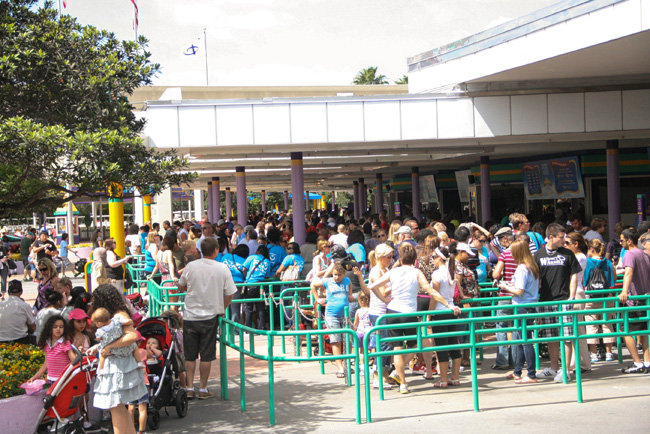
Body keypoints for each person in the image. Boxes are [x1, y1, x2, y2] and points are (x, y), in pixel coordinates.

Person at [361, 243, 461, 394]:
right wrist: (448, 304)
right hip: (409, 314)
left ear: (400, 259)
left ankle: (403, 383)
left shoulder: (393, 272)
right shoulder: (417, 273)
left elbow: (371, 286)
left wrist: (384, 299)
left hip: (392, 312)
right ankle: (398, 376)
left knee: (397, 349)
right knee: (416, 344)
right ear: (415, 260)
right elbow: (431, 291)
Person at [177, 237, 236, 399]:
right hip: (210, 316)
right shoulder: (222, 268)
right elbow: (230, 293)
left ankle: (189, 387)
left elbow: (180, 286)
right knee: (206, 355)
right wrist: (222, 308)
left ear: (200, 250)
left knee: (189, 355)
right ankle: (203, 389)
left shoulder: (190, 266)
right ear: (216, 250)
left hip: (190, 315)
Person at [87, 284, 147, 434]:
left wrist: (109, 347)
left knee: (116, 407)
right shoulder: (115, 316)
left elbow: (132, 336)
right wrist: (100, 347)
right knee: (119, 407)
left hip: (117, 366)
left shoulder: (118, 315)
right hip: (117, 364)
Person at [534, 223, 582, 383]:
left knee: (566, 336)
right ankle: (554, 368)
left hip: (564, 299)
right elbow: (536, 277)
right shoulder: (539, 254)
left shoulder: (568, 254)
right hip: (546, 300)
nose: (564, 240)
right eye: (561, 237)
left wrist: (572, 297)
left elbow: (573, 275)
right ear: (551, 237)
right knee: (550, 336)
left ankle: (566, 370)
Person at [498, 239, 540, 384]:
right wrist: (511, 285)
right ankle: (517, 371)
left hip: (522, 306)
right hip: (530, 305)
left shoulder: (522, 268)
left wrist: (505, 286)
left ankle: (531, 374)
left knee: (525, 341)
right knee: (522, 340)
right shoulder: (531, 266)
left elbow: (519, 291)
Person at [311, 263, 355, 379]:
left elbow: (350, 293)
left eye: (339, 275)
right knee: (335, 340)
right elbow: (313, 285)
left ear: (343, 274)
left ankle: (347, 363)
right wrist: (318, 299)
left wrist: (350, 296)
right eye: (335, 275)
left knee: (348, 339)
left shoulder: (347, 281)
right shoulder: (327, 281)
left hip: (345, 314)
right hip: (332, 315)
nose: (336, 277)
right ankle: (340, 367)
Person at [428, 245, 463, 388]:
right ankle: (455, 377)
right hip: (451, 310)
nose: (432, 260)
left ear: (438, 258)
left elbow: (434, 296)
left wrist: (429, 314)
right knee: (454, 344)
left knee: (441, 346)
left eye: (433, 257)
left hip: (440, 312)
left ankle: (443, 379)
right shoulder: (451, 271)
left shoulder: (437, 274)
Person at [617, 228, 650, 373]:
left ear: (629, 241)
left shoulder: (630, 254)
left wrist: (624, 291)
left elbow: (629, 272)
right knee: (644, 332)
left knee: (625, 331)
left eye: (622, 240)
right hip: (645, 298)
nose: (620, 242)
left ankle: (637, 363)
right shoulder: (644, 254)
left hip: (635, 300)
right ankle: (647, 362)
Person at [583, 239, 616, 362]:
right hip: (606, 296)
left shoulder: (588, 262)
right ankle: (609, 353)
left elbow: (584, 280)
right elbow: (614, 278)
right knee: (607, 324)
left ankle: (593, 354)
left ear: (591, 249)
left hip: (591, 296)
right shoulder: (608, 262)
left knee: (591, 325)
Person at [564, 232, 592, 373]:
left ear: (576, 244)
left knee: (577, 329)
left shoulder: (579, 257)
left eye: (567, 243)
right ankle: (579, 362)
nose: (565, 245)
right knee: (574, 329)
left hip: (576, 293)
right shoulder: (575, 256)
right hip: (574, 292)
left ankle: (582, 363)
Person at [29, 315, 75, 384]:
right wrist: (36, 376)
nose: (58, 329)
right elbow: (46, 363)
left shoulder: (65, 343)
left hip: (63, 379)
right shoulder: (47, 344)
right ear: (50, 328)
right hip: (51, 379)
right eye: (55, 327)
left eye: (61, 327)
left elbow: (74, 360)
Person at [92, 307, 141, 373]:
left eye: (96, 323)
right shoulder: (116, 321)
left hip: (111, 351)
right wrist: (130, 322)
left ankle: (101, 369)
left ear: (100, 323)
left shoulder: (100, 331)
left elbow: (98, 338)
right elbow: (127, 321)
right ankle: (139, 362)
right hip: (124, 348)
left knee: (101, 354)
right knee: (135, 346)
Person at [242, 245, 272, 330]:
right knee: (260, 307)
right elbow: (267, 276)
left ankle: (248, 329)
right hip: (261, 285)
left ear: (258, 251)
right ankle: (261, 328)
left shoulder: (252, 257)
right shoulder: (267, 261)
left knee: (248, 307)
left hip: (250, 284)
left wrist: (246, 278)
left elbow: (244, 268)